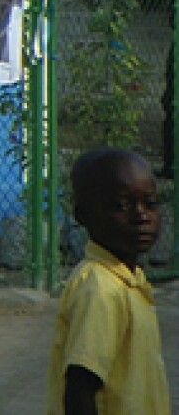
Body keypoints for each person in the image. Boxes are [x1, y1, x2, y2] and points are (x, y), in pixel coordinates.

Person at [48, 148, 169, 415]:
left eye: (150, 203)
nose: (141, 216)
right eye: (120, 206)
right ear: (83, 215)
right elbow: (80, 388)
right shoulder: (100, 288)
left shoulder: (131, 281)